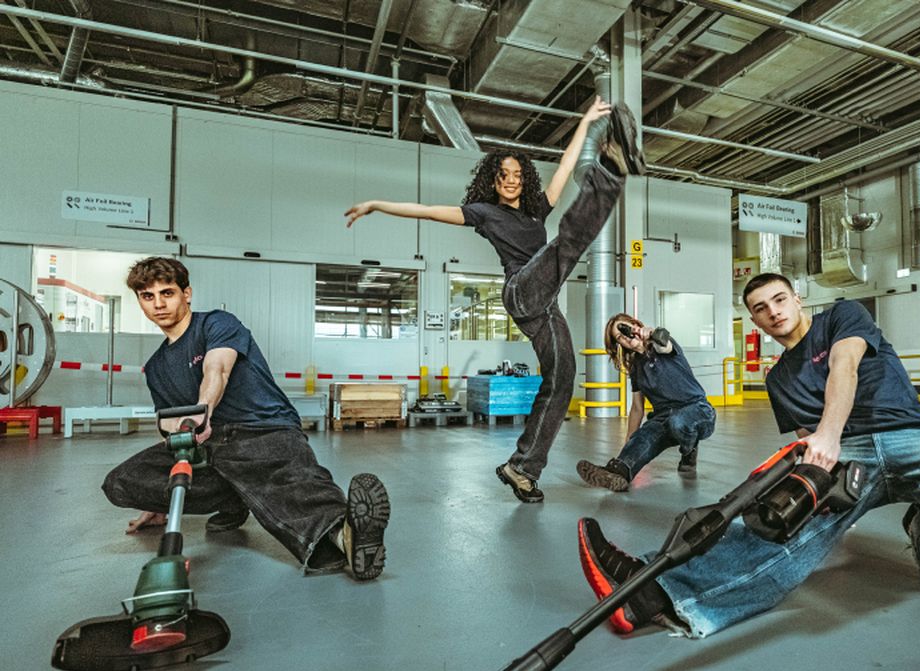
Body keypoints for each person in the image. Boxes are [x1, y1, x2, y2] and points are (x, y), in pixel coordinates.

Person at [578, 273, 920, 636]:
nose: (773, 311)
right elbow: (806, 439)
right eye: (761, 308)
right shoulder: (778, 379)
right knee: (778, 518)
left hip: (913, 435)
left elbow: (845, 365)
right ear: (755, 322)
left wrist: (829, 433)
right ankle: (654, 590)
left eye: (779, 299)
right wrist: (809, 490)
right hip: (847, 457)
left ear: (797, 299)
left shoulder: (841, 317)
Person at [344, 97, 646, 503]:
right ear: (493, 179)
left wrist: (587, 120)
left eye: (517, 175)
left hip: (546, 303)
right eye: (504, 175)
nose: (511, 180)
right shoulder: (484, 212)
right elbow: (429, 211)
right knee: (567, 245)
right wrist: (377, 205)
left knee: (562, 379)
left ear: (525, 179)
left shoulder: (537, 209)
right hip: (522, 289)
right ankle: (610, 168)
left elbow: (564, 166)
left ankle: (522, 468)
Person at [102, 257, 390, 581]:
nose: (158, 304)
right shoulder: (156, 367)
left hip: (262, 428)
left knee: (291, 482)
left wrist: (202, 411)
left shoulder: (216, 324)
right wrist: (161, 498)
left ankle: (346, 537)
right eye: (148, 296)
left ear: (187, 293)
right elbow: (169, 428)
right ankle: (237, 498)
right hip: (209, 446)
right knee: (122, 480)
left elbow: (217, 369)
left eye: (167, 293)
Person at [576, 313, 715, 491]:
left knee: (678, 421)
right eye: (619, 337)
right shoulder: (636, 367)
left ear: (635, 325)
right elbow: (637, 408)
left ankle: (689, 450)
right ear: (620, 345)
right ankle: (618, 473)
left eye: (625, 329)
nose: (625, 337)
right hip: (663, 417)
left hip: (697, 410)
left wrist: (651, 334)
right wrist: (629, 444)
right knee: (643, 437)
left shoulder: (660, 345)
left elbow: (664, 343)